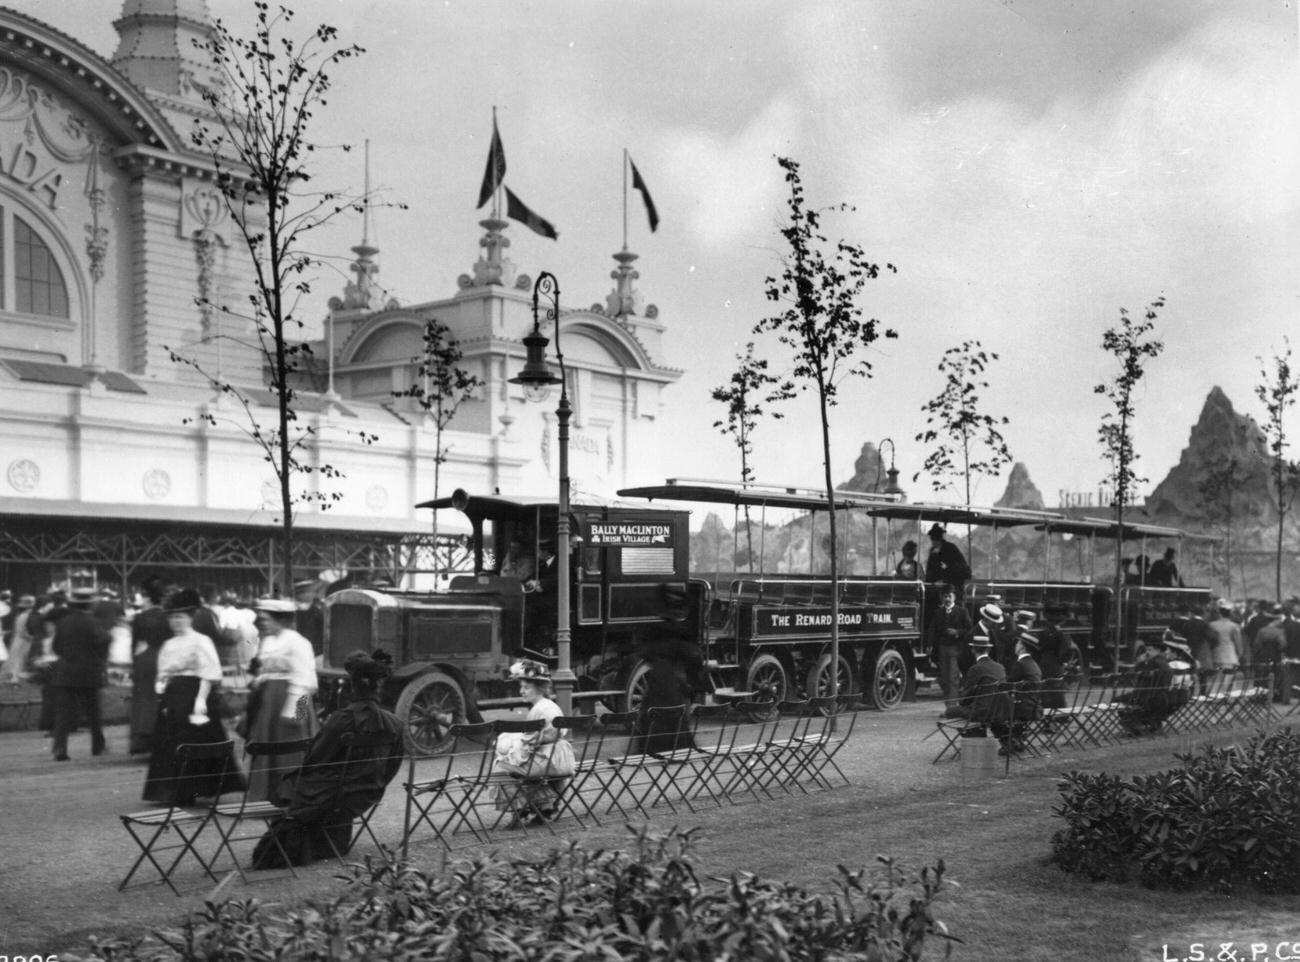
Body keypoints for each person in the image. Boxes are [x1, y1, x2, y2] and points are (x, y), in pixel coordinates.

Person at [250, 650, 404, 869]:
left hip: (295, 705)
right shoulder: (395, 724)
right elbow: (392, 766)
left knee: (296, 769)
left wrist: (297, 716)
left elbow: (316, 759)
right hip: (365, 790)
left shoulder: (297, 643)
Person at [142, 589, 244, 803]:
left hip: (195, 693)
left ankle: (195, 788)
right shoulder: (168, 645)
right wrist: (161, 688)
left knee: (195, 740)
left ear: (190, 619)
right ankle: (173, 790)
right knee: (171, 741)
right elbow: (163, 671)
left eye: (181, 618)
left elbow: (209, 671)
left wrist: (200, 700)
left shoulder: (200, 641)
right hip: (173, 696)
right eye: (173, 618)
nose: (176, 622)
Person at [243, 598, 319, 803]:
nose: (262, 624)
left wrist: (297, 713)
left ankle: (293, 795)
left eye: (267, 620)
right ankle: (266, 794)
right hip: (270, 700)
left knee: (293, 742)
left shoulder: (298, 643)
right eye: (261, 620)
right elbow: (268, 669)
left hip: (293, 698)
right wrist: (260, 680)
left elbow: (305, 678)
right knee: (268, 743)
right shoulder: (267, 641)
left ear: (281, 620)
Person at [492, 659, 576, 827]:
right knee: (522, 765)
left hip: (548, 761)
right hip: (563, 759)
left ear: (539, 688)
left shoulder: (537, 711)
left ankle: (522, 810)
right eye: (521, 687)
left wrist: (505, 753)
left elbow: (526, 747)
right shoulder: (552, 706)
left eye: (526, 687)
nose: (522, 691)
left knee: (500, 768)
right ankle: (547, 807)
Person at [49, 587, 111, 761]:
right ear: (90, 604)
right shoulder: (95, 622)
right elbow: (104, 643)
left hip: (65, 672)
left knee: (63, 714)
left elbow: (56, 647)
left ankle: (59, 749)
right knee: (93, 713)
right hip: (89, 672)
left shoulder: (63, 622)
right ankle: (97, 746)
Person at [1115, 630, 1196, 735]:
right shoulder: (1164, 663)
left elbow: (1140, 680)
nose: (1147, 653)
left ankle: (1136, 724)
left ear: (1157, 650)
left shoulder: (1153, 663)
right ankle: (1147, 724)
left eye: (1150, 650)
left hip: (1150, 697)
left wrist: (1139, 663)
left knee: (1117, 700)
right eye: (1147, 650)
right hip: (1162, 697)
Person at [128, 578, 172, 755]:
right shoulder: (169, 617)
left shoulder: (140, 617)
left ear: (149, 598)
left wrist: (134, 661)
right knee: (160, 697)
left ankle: (141, 738)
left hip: (144, 658)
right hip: (164, 657)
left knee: (143, 698)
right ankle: (159, 738)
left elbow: (134, 643)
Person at [944, 635, 1010, 731]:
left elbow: (966, 698)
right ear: (989, 650)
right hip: (999, 711)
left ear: (973, 650)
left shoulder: (975, 669)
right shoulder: (1000, 667)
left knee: (949, 711)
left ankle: (972, 737)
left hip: (981, 712)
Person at [926, 584, 971, 709]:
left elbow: (969, 630)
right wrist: (929, 645)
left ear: (954, 597)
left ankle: (952, 707)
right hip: (942, 649)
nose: (947, 599)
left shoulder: (962, 611)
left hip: (956, 649)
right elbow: (932, 629)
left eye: (949, 596)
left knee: (953, 677)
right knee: (944, 678)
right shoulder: (938, 612)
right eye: (945, 596)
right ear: (941, 598)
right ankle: (949, 705)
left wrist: (957, 632)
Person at [1034, 606, 1075, 709]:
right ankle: (1061, 715)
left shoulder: (1043, 633)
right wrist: (1065, 662)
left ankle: (1047, 712)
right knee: (1057, 691)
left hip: (1043, 663)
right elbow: (1064, 654)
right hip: (1055, 665)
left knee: (1046, 691)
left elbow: (1038, 649)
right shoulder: (1062, 635)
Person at [1253, 604, 1288, 703]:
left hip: (1262, 656)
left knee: (1262, 676)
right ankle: (1272, 695)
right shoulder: (1279, 632)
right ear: (1275, 621)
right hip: (1275, 656)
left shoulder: (1261, 631)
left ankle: (1260, 695)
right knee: (1275, 676)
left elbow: (1257, 645)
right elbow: (1283, 645)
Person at [923, 524, 970, 596]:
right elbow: (930, 570)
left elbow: (962, 569)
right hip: (933, 587)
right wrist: (931, 583)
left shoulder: (950, 548)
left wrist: (946, 580)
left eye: (935, 537)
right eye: (932, 538)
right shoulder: (933, 551)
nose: (933, 540)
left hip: (950, 586)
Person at [0, 594, 35, 684]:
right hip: (22, 640)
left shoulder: (21, 615)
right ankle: (14, 678)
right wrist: (31, 638)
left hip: (20, 639)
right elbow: (21, 631)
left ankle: (13, 677)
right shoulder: (24, 616)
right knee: (18, 659)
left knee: (18, 659)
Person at [1206, 600, 1243, 671]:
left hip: (1215, 656)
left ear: (1220, 613)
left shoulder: (1212, 625)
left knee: (1216, 679)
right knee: (1228, 679)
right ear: (1230, 614)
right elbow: (1238, 644)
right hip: (1230, 657)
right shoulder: (1234, 626)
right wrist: (1239, 655)